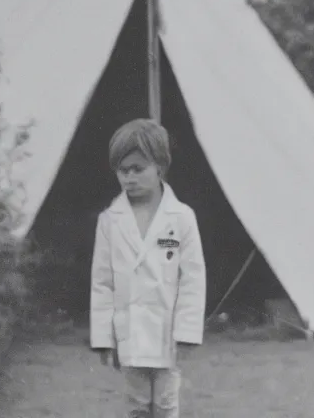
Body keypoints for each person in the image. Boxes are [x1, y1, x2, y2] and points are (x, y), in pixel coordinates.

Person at [90, 118, 206, 417]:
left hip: (167, 332)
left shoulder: (181, 217)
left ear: (160, 167)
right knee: (137, 405)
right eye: (123, 170)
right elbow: (102, 283)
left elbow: (192, 278)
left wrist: (188, 332)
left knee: (166, 403)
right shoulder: (110, 220)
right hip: (129, 331)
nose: (129, 177)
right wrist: (104, 337)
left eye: (138, 169)